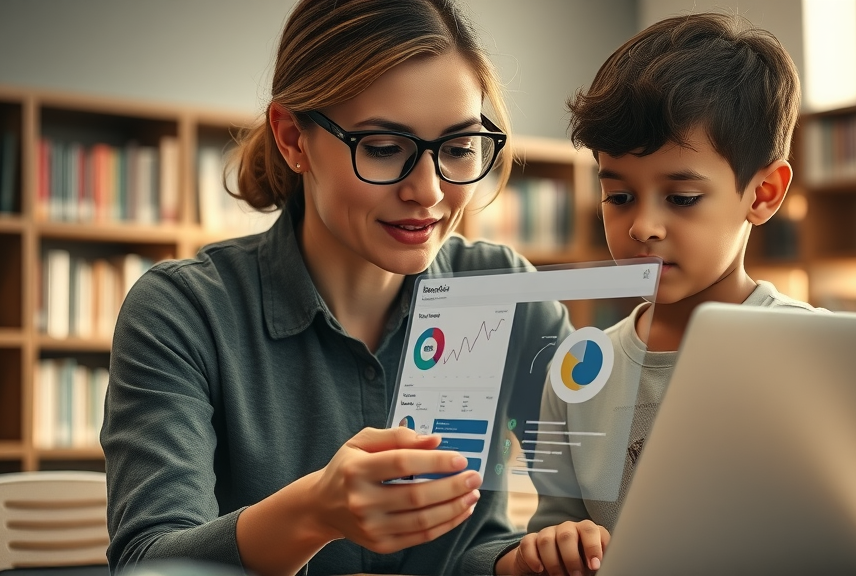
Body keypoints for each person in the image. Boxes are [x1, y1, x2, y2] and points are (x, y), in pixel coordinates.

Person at [100, 2, 570, 576]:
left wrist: (527, 561)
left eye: (458, 148)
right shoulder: (183, 312)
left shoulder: (507, 295)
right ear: (293, 138)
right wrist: (314, 513)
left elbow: (592, 496)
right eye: (382, 148)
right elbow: (149, 562)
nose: (428, 191)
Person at [496, 12, 827, 576]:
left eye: (681, 198)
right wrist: (556, 545)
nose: (643, 226)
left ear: (763, 193)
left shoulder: (816, 350)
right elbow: (552, 527)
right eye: (619, 197)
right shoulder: (575, 371)